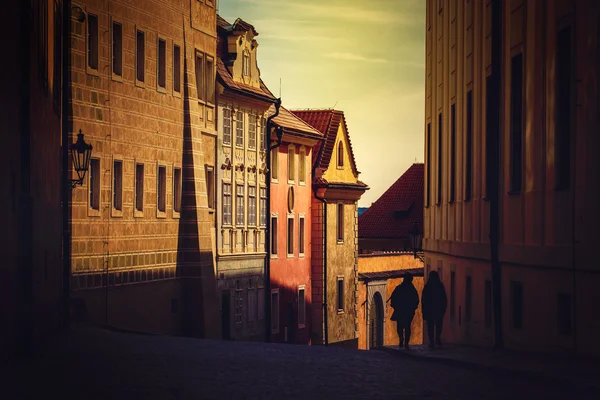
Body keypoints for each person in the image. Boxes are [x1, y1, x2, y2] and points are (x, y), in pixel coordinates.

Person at [390, 272, 419, 349]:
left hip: (402, 310)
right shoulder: (411, 289)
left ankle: (403, 340)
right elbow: (416, 300)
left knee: (401, 327)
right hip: (407, 311)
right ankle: (404, 342)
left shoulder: (400, 288)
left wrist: (395, 306)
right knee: (406, 327)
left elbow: (393, 298)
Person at [422, 270, 447, 349]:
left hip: (432, 310)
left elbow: (424, 300)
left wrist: (424, 310)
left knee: (432, 326)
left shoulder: (428, 287)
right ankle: (435, 339)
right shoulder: (439, 286)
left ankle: (433, 340)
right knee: (436, 325)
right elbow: (444, 298)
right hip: (436, 309)